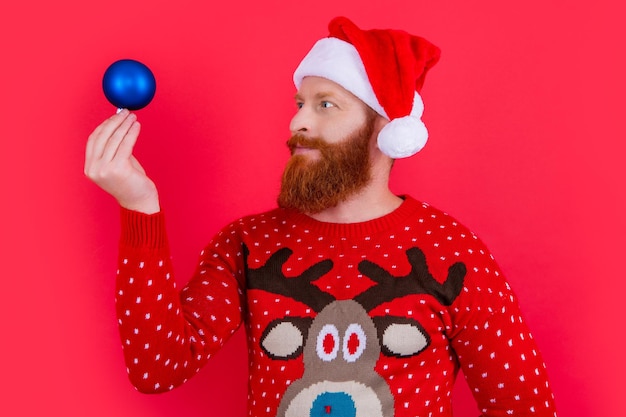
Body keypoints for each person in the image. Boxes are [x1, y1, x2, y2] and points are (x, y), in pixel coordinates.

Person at [85, 16, 557, 417]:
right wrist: (138, 205)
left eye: (325, 105)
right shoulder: (248, 244)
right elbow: (158, 368)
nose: (297, 123)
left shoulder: (451, 252)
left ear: (386, 129)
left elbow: (525, 405)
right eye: (299, 105)